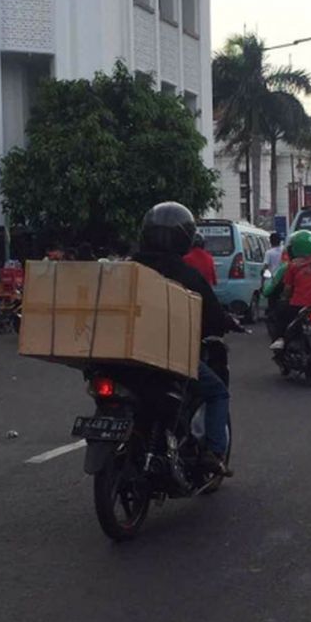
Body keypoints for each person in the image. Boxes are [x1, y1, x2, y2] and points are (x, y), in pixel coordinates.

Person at [133, 202, 237, 476]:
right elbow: (213, 315)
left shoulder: (127, 268)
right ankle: (213, 454)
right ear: (185, 238)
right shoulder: (187, 274)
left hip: (126, 355)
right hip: (171, 356)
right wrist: (226, 322)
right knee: (217, 392)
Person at [265, 230, 311, 350]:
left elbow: (285, 289)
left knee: (279, 313)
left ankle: (281, 338)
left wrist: (285, 298)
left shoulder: (291, 266)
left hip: (297, 305)